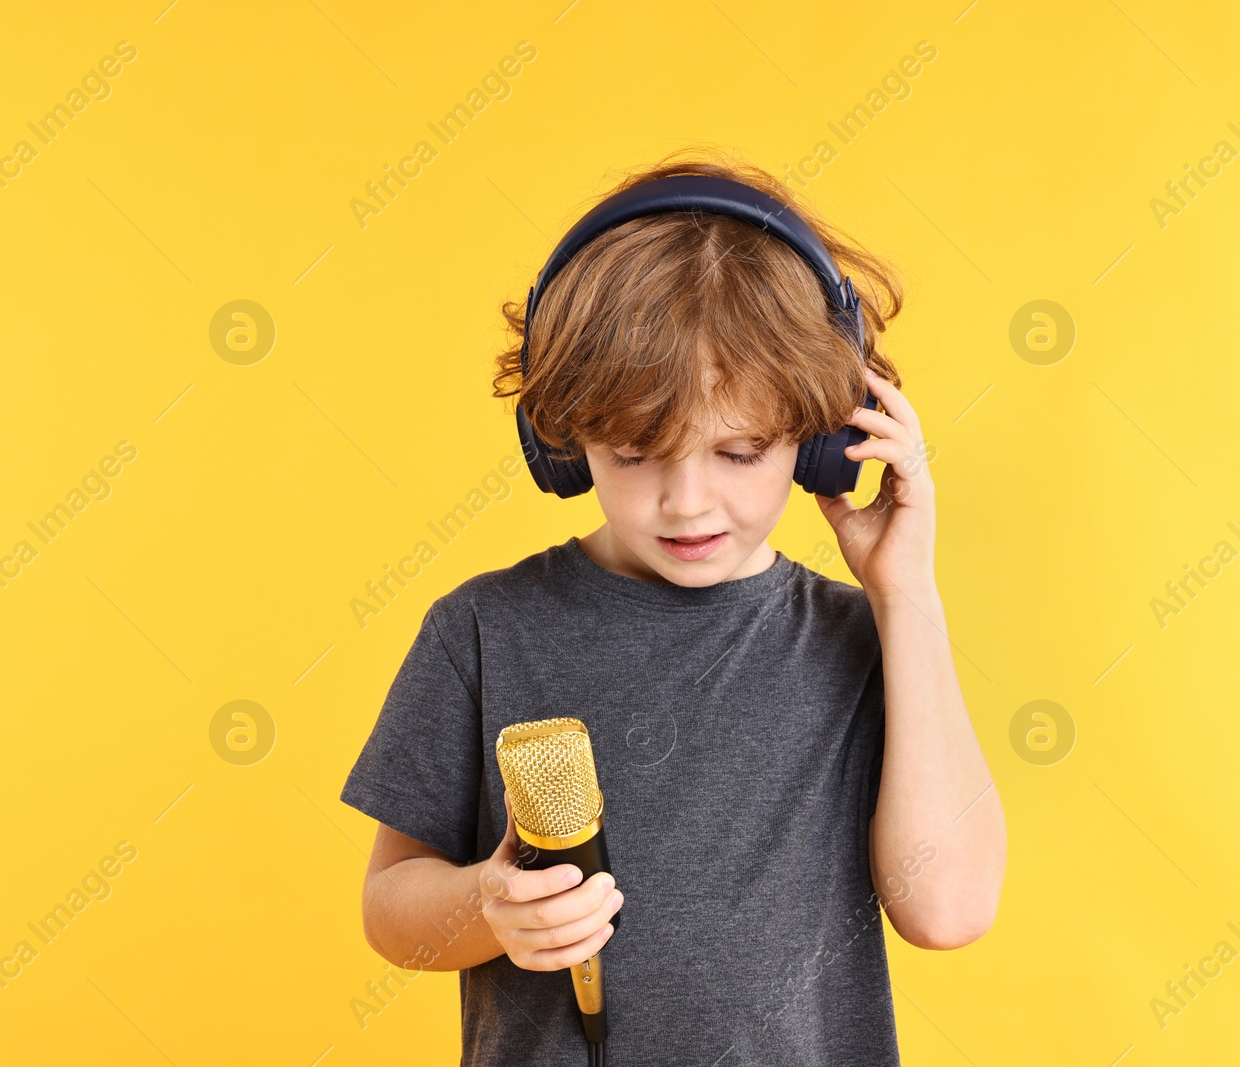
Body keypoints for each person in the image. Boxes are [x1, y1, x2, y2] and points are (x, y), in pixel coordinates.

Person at [339, 148, 1007, 1066]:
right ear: (565, 442)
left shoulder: (866, 638)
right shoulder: (484, 631)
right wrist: (488, 904)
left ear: (824, 442)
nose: (688, 502)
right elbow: (391, 910)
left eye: (739, 453)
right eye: (636, 451)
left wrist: (906, 595)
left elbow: (951, 908)